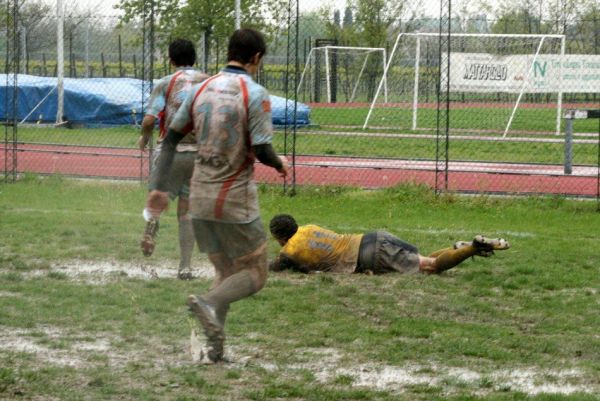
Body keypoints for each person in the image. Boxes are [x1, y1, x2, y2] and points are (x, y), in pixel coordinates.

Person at [145, 29, 288, 363]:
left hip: (199, 197)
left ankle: (214, 349)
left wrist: (157, 186)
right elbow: (263, 149)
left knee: (224, 273)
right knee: (254, 274)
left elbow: (168, 140)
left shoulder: (199, 90)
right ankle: (207, 304)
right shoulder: (255, 92)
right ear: (257, 58)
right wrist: (280, 163)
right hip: (234, 200)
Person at [139, 38, 209, 281]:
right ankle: (185, 266)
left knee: (158, 197)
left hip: (171, 151)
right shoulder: (208, 82)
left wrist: (144, 137)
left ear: (171, 60)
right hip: (199, 153)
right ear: (195, 60)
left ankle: (151, 229)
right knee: (186, 211)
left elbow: (149, 120)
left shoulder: (165, 83)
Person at [268, 214, 509, 275]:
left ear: (279, 236)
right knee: (423, 259)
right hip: (373, 237)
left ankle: (473, 247)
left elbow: (276, 267)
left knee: (431, 267)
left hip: (368, 256)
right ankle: (459, 247)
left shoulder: (289, 250)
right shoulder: (309, 227)